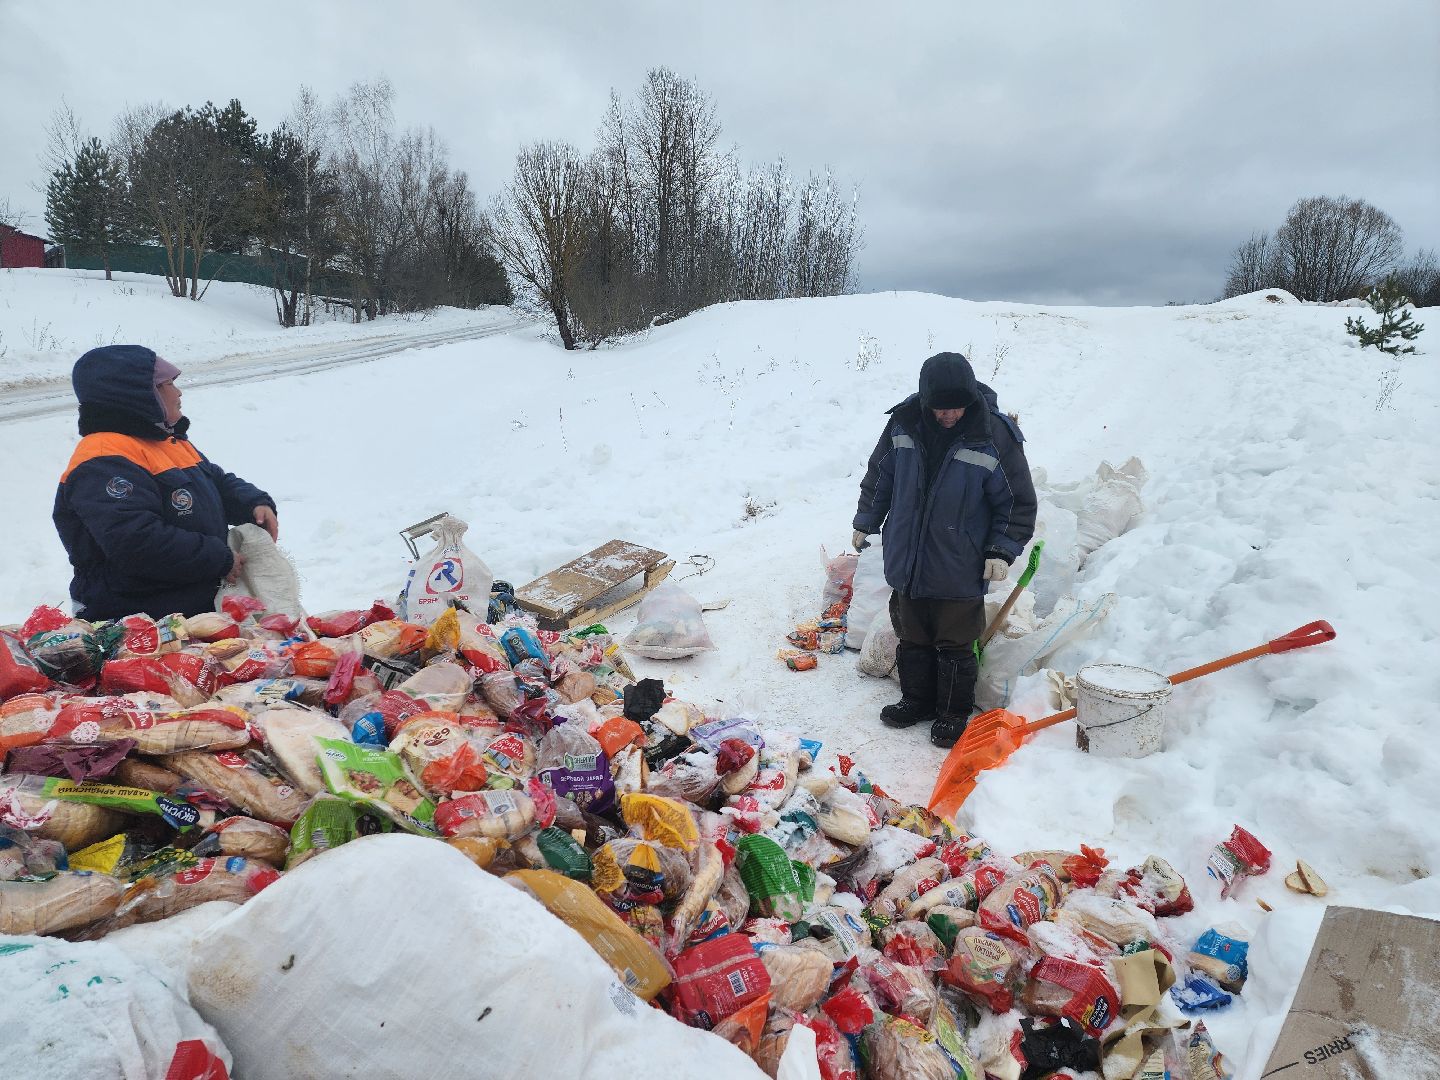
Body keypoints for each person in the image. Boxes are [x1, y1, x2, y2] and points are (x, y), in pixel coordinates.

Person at [852, 352, 1037, 747]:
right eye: (939, 407)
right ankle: (916, 700)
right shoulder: (903, 423)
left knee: (954, 642)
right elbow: (879, 476)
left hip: (960, 561)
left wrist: (1001, 551)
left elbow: (1017, 502)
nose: (948, 415)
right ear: (924, 400)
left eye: (956, 407)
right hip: (908, 557)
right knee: (912, 635)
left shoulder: (994, 435)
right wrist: (865, 520)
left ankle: (952, 713)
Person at [53, 345, 279, 621]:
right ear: (136, 396)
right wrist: (218, 558)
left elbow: (215, 481)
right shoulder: (103, 458)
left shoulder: (166, 441)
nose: (179, 392)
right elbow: (136, 542)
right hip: (134, 623)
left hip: (186, 612)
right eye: (168, 384)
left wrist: (253, 502)